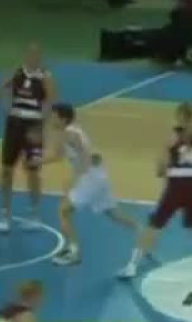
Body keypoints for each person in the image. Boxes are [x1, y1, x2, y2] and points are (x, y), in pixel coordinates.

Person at [118, 102, 192, 281]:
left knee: (154, 226)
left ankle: (132, 266)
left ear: (179, 118)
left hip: (176, 187)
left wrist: (165, 172)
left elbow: (161, 167)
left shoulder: (172, 139)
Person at [40, 103, 140, 266]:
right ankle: (142, 233)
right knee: (113, 214)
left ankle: (74, 253)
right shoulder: (67, 133)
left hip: (90, 178)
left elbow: (85, 157)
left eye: (54, 115)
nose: (51, 118)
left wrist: (74, 180)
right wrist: (38, 161)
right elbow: (58, 155)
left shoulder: (70, 133)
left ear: (63, 119)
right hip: (98, 175)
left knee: (64, 211)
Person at [0, 43, 57, 232]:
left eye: (36, 54)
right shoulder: (17, 73)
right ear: (25, 55)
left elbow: (50, 102)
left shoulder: (45, 77)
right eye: (30, 54)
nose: (33, 57)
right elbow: (1, 89)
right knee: (6, 169)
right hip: (14, 125)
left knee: (32, 170)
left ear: (40, 57)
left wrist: (40, 126)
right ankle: (4, 213)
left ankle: (34, 213)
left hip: (33, 126)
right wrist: (7, 109)